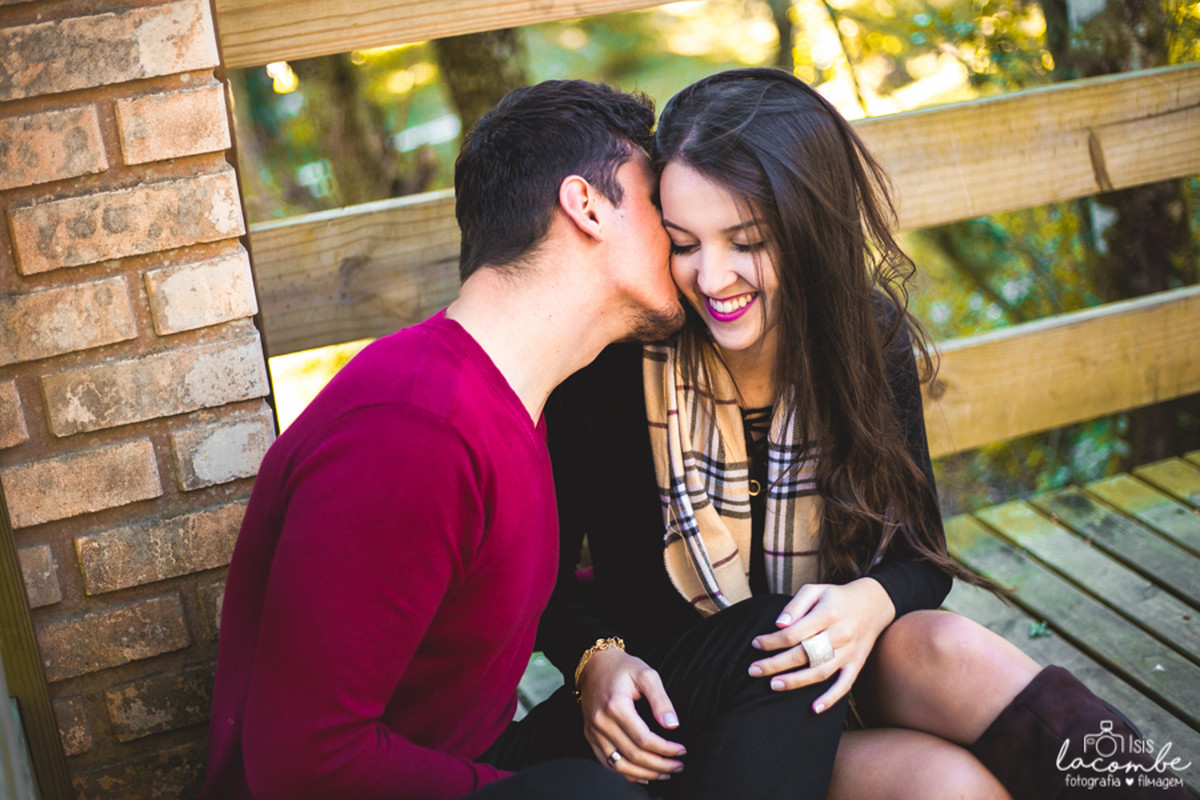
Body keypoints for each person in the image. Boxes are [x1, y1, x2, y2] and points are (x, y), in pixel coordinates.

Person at [540, 67, 1190, 800]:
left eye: (746, 241)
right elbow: (545, 585)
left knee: (943, 646)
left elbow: (921, 556)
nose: (711, 277)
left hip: (830, 670)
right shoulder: (615, 366)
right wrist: (596, 660)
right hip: (694, 712)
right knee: (953, 789)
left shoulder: (862, 335)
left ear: (809, 227)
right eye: (684, 243)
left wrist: (867, 604)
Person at [198, 79, 685, 800]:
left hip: (475, 754)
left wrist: (600, 655)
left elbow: (484, 606)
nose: (681, 233)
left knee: (742, 651)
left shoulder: (522, 400)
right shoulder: (412, 430)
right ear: (587, 207)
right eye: (657, 203)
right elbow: (302, 762)